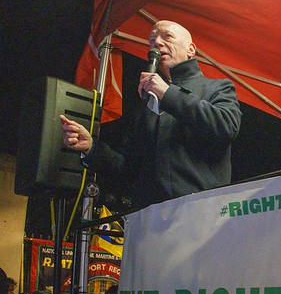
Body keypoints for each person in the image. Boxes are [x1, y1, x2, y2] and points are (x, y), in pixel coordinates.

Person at [60, 20, 242, 209]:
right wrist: (91, 148)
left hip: (200, 214)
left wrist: (167, 93)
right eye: (152, 40)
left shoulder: (218, 87)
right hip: (149, 219)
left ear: (191, 49)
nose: (157, 43)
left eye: (167, 37)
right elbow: (128, 168)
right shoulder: (147, 104)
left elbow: (226, 125)